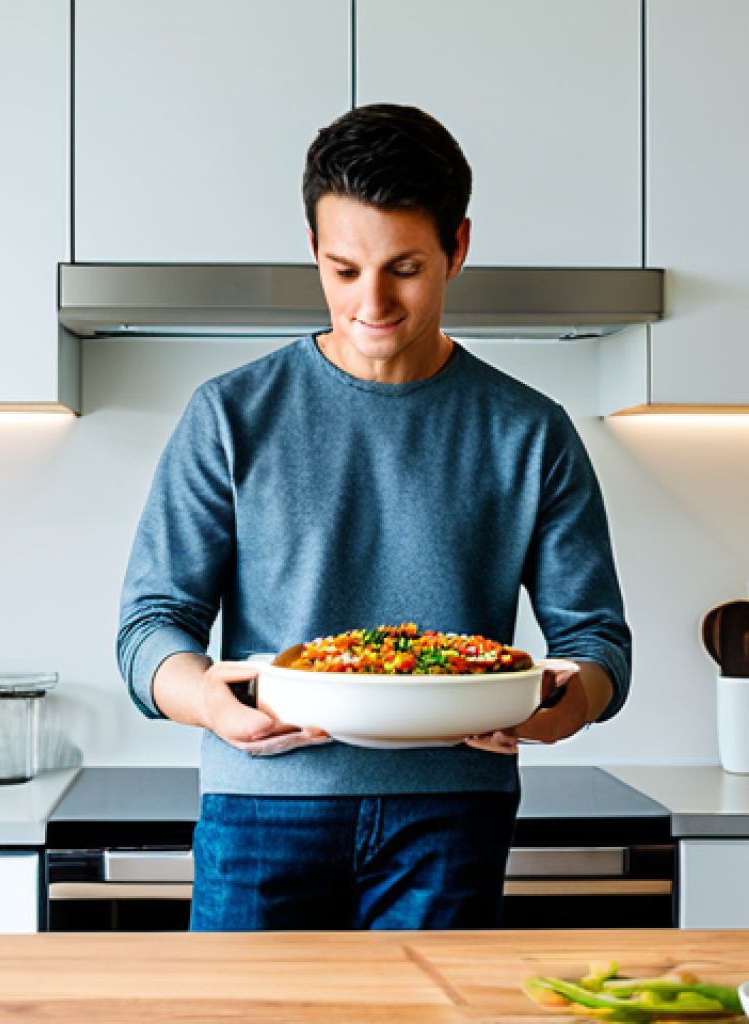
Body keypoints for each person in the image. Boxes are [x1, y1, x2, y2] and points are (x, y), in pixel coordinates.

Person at [117, 104, 631, 931]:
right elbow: (151, 627)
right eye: (343, 268)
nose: (372, 301)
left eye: (406, 267)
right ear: (314, 253)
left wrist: (559, 709)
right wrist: (211, 703)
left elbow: (598, 642)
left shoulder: (530, 431)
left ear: (458, 248)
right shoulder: (229, 415)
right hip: (262, 809)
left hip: (453, 817)